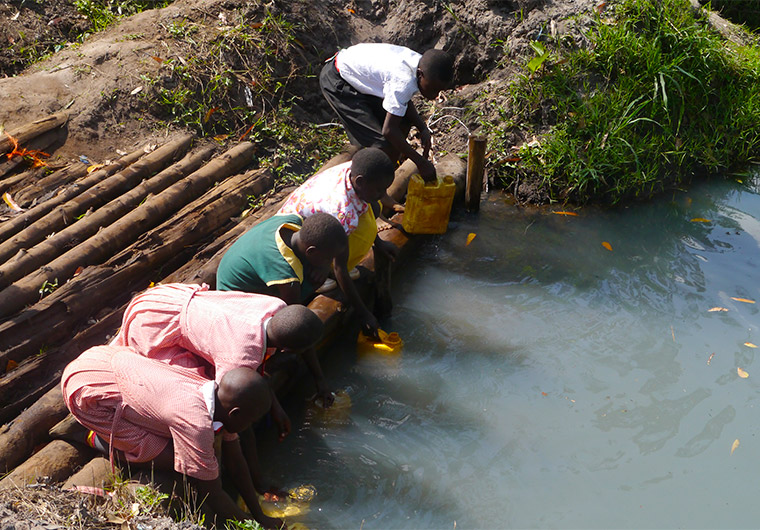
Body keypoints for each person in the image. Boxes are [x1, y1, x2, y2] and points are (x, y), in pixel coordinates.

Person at [55, 344, 284, 529]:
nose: (248, 427)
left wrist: (260, 515)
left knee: (196, 459)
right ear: (235, 413)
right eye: (250, 421)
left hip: (104, 356)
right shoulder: (195, 422)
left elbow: (235, 459)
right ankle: (94, 437)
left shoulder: (210, 390)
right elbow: (211, 493)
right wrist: (253, 526)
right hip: (85, 389)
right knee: (173, 462)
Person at [111, 282, 328, 435]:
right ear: (287, 349)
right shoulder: (240, 357)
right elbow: (231, 409)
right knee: (192, 387)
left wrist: (277, 406)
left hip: (165, 298)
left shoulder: (275, 306)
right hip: (155, 324)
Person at [278, 147, 397, 337]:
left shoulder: (353, 170)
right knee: (346, 251)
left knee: (375, 205)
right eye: (379, 189)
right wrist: (364, 313)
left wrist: (379, 244)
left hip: (314, 222)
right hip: (301, 241)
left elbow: (369, 204)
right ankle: (322, 272)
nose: (383, 193)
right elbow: (340, 267)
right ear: (360, 181)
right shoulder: (342, 211)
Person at [320, 43, 455, 183]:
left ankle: (386, 172)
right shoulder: (404, 79)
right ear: (421, 74)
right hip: (339, 81)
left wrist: (422, 128)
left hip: (359, 78)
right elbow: (389, 130)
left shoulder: (421, 65)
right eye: (433, 89)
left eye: (439, 90)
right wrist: (420, 162)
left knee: (402, 122)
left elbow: (403, 100)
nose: (435, 95)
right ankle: (373, 188)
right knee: (381, 143)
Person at [216, 211, 348, 305]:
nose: (330, 262)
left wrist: (323, 266)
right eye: (328, 258)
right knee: (314, 282)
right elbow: (293, 311)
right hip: (234, 301)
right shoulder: (285, 274)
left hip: (236, 265)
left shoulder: (293, 220)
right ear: (311, 251)